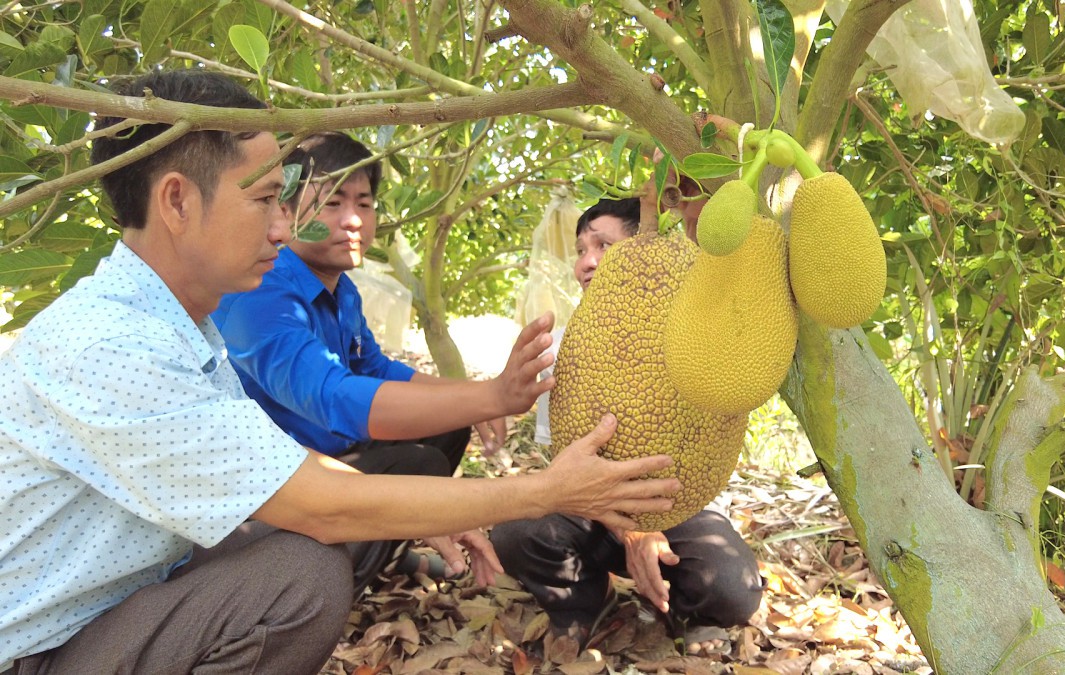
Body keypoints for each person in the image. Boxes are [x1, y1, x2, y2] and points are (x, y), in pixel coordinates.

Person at [0, 70, 681, 675]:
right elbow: (323, 456)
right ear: (177, 202)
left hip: (122, 595)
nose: (281, 227)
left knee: (375, 497)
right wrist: (544, 489)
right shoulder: (114, 342)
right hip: (39, 645)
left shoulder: (183, 324)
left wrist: (462, 462)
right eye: (266, 200)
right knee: (302, 580)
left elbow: (287, 450)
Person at [211, 130, 542, 580]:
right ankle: (320, 587)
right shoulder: (262, 292)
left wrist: (473, 395)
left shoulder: (341, 291)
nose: (353, 221)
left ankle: (378, 556)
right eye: (333, 203)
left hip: (332, 453)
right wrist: (493, 399)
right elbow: (330, 394)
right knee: (418, 466)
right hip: (274, 487)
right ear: (285, 210)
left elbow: (376, 368)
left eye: (364, 204)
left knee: (446, 426)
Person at [491, 198, 763, 658]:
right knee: (516, 529)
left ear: (644, 250)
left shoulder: (697, 335)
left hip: (679, 508)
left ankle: (682, 610)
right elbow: (562, 467)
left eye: (603, 245)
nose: (586, 262)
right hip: (585, 506)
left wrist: (652, 524)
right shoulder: (564, 345)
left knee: (734, 587)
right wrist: (632, 530)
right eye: (580, 249)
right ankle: (584, 600)